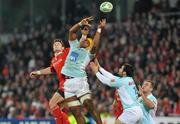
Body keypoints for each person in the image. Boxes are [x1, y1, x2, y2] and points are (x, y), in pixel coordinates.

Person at [61, 16, 106, 124]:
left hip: (79, 81)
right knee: (76, 113)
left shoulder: (88, 54)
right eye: (86, 39)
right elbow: (72, 31)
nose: (86, 41)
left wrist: (99, 29)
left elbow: (95, 45)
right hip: (67, 84)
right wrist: (80, 23)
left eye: (88, 42)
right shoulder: (74, 45)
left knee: (90, 107)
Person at [90, 59, 143, 124]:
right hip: (138, 110)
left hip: (131, 111)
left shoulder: (122, 82)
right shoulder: (129, 79)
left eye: (121, 68)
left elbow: (106, 81)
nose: (119, 69)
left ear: (124, 72)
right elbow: (111, 77)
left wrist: (96, 72)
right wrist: (99, 67)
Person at [30, 39, 70, 124]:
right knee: (57, 108)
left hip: (68, 84)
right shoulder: (54, 60)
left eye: (58, 44)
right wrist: (37, 72)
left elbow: (75, 47)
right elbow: (51, 69)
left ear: (63, 47)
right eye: (54, 44)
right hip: (63, 85)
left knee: (52, 103)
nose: (56, 45)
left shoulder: (66, 52)